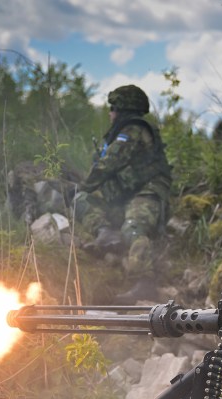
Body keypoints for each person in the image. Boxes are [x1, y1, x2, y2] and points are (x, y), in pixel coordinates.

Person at [77, 84, 172, 302]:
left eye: (113, 108)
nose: (110, 113)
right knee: (81, 201)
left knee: (133, 227)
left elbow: (109, 163)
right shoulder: (121, 133)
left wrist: (84, 185)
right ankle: (106, 233)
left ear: (122, 109)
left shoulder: (133, 130)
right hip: (124, 198)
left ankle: (144, 283)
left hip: (146, 194)